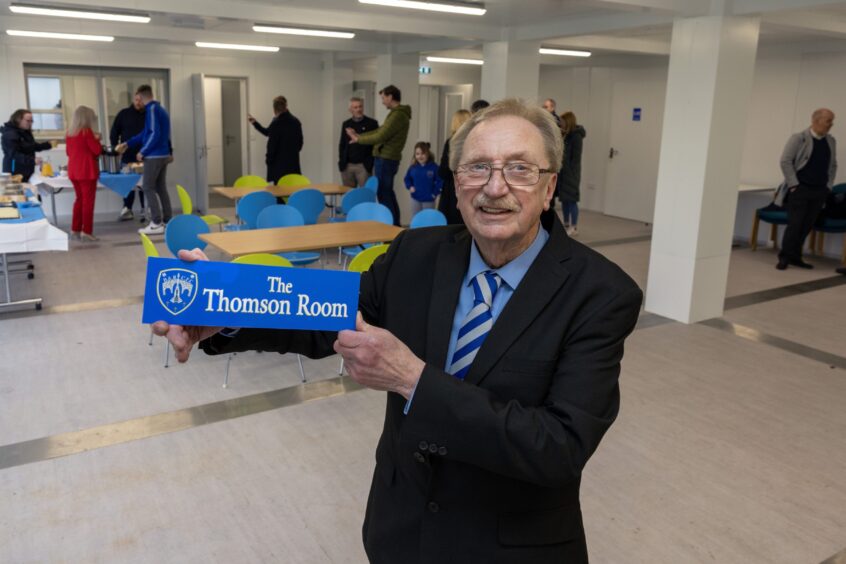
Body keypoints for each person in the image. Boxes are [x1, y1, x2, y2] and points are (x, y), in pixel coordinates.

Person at [152, 98, 642, 563]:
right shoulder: (417, 252)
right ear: (456, 180)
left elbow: (558, 448)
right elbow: (324, 313)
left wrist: (413, 380)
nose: (495, 187)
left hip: (510, 546)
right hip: (400, 529)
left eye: (519, 168)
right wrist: (224, 305)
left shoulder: (599, 293)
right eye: (477, 167)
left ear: (550, 186)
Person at [775, 108, 837, 270]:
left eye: (831, 121)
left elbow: (833, 165)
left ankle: (796, 257)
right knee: (795, 224)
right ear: (816, 121)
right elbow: (785, 161)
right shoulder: (799, 138)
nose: (831, 124)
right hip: (800, 189)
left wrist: (828, 186)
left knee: (807, 225)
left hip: (819, 191)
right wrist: (794, 185)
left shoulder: (830, 141)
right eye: (828, 121)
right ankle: (784, 257)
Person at [346, 85, 411, 226]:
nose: (382, 102)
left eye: (383, 98)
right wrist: (359, 136)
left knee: (384, 194)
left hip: (386, 159)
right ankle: (394, 226)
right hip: (386, 159)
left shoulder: (398, 115)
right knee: (387, 193)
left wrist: (359, 139)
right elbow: (380, 131)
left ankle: (390, 228)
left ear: (390, 97)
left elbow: (381, 135)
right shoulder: (395, 114)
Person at [117, 85, 173, 236]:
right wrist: (127, 143)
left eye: (137, 99)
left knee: (147, 186)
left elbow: (154, 133)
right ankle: (168, 221)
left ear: (141, 98)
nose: (136, 102)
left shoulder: (152, 110)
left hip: (154, 155)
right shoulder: (159, 110)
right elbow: (145, 133)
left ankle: (156, 223)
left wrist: (143, 151)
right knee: (160, 187)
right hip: (162, 155)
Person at [65, 106, 103, 242]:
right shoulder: (87, 132)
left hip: (73, 172)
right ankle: (86, 231)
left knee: (79, 200)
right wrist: (98, 139)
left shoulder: (69, 133)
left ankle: (75, 229)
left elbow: (68, 153)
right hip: (86, 172)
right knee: (88, 202)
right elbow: (97, 151)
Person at [249, 95, 303, 184]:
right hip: (293, 164)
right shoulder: (296, 121)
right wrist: (255, 123)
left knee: (279, 194)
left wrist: (268, 161)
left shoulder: (276, 123)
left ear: (274, 110)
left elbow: (271, 146)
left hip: (279, 167)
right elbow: (300, 144)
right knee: (292, 193)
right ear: (286, 107)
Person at [110, 92, 146, 221]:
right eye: (136, 99)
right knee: (127, 183)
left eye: (141, 100)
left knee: (145, 185)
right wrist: (116, 148)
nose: (138, 102)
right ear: (133, 100)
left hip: (145, 155)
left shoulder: (149, 115)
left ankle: (144, 209)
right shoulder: (124, 114)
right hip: (127, 156)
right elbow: (114, 132)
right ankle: (127, 209)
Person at [1, 109, 57, 181]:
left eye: (31, 121)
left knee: (29, 190)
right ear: (18, 119)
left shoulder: (25, 132)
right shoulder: (9, 134)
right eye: (28, 121)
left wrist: (48, 145)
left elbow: (31, 146)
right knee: (18, 192)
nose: (30, 123)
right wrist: (32, 160)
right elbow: (14, 154)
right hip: (14, 172)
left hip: (26, 170)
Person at [437, 109, 471, 224]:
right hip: (470, 186)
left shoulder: (451, 142)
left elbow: (443, 170)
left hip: (452, 189)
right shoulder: (475, 141)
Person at [339, 97, 378, 188]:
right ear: (350, 110)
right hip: (347, 166)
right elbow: (342, 144)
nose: (358, 109)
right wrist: (341, 162)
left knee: (365, 195)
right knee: (349, 196)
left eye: (360, 107)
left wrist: (370, 162)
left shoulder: (372, 123)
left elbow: (376, 144)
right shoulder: (346, 124)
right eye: (355, 107)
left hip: (364, 166)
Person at [558, 111, 586, 236]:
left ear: (568, 122)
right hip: (562, 173)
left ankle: (574, 226)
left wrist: (571, 173)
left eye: (562, 121)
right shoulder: (564, 135)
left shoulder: (576, 137)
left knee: (572, 200)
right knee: (564, 200)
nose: (561, 123)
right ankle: (566, 224)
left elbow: (576, 158)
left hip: (571, 174)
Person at [403, 141, 442, 214]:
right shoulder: (413, 167)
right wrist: (410, 186)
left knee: (428, 220)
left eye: (423, 153)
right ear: (415, 155)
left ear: (428, 154)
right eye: (417, 154)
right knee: (416, 219)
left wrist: (434, 193)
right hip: (415, 198)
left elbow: (440, 182)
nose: (420, 156)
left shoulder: (434, 167)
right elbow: (407, 178)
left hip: (429, 199)